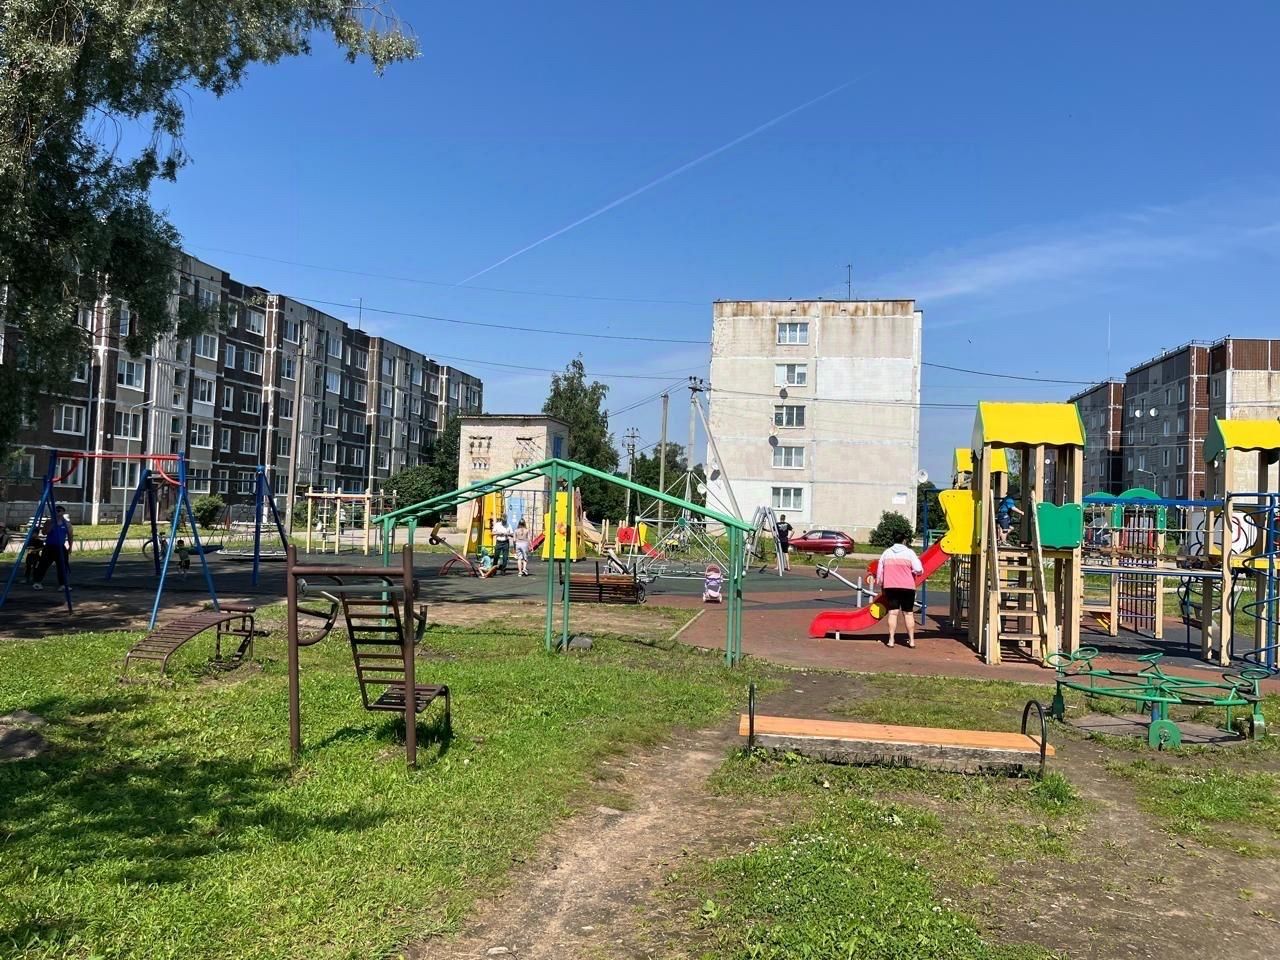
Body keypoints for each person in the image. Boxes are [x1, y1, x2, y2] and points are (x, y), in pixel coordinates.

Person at [876, 530, 923, 648]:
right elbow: (918, 569)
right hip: (907, 587)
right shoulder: (910, 553)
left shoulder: (886, 553)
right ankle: (911, 641)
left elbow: (880, 571)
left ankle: (891, 640)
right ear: (904, 541)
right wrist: (914, 571)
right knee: (908, 613)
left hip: (891, 586)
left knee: (893, 613)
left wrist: (880, 582)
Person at [32, 505, 73, 591]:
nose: (57, 512)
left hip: (60, 547)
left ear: (63, 512)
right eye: (56, 511)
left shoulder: (67, 524)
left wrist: (70, 547)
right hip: (49, 547)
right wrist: (53, 523)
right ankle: (37, 582)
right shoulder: (49, 522)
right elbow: (44, 532)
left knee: (62, 566)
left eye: (59, 511)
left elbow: (70, 536)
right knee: (43, 564)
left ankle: (62, 584)